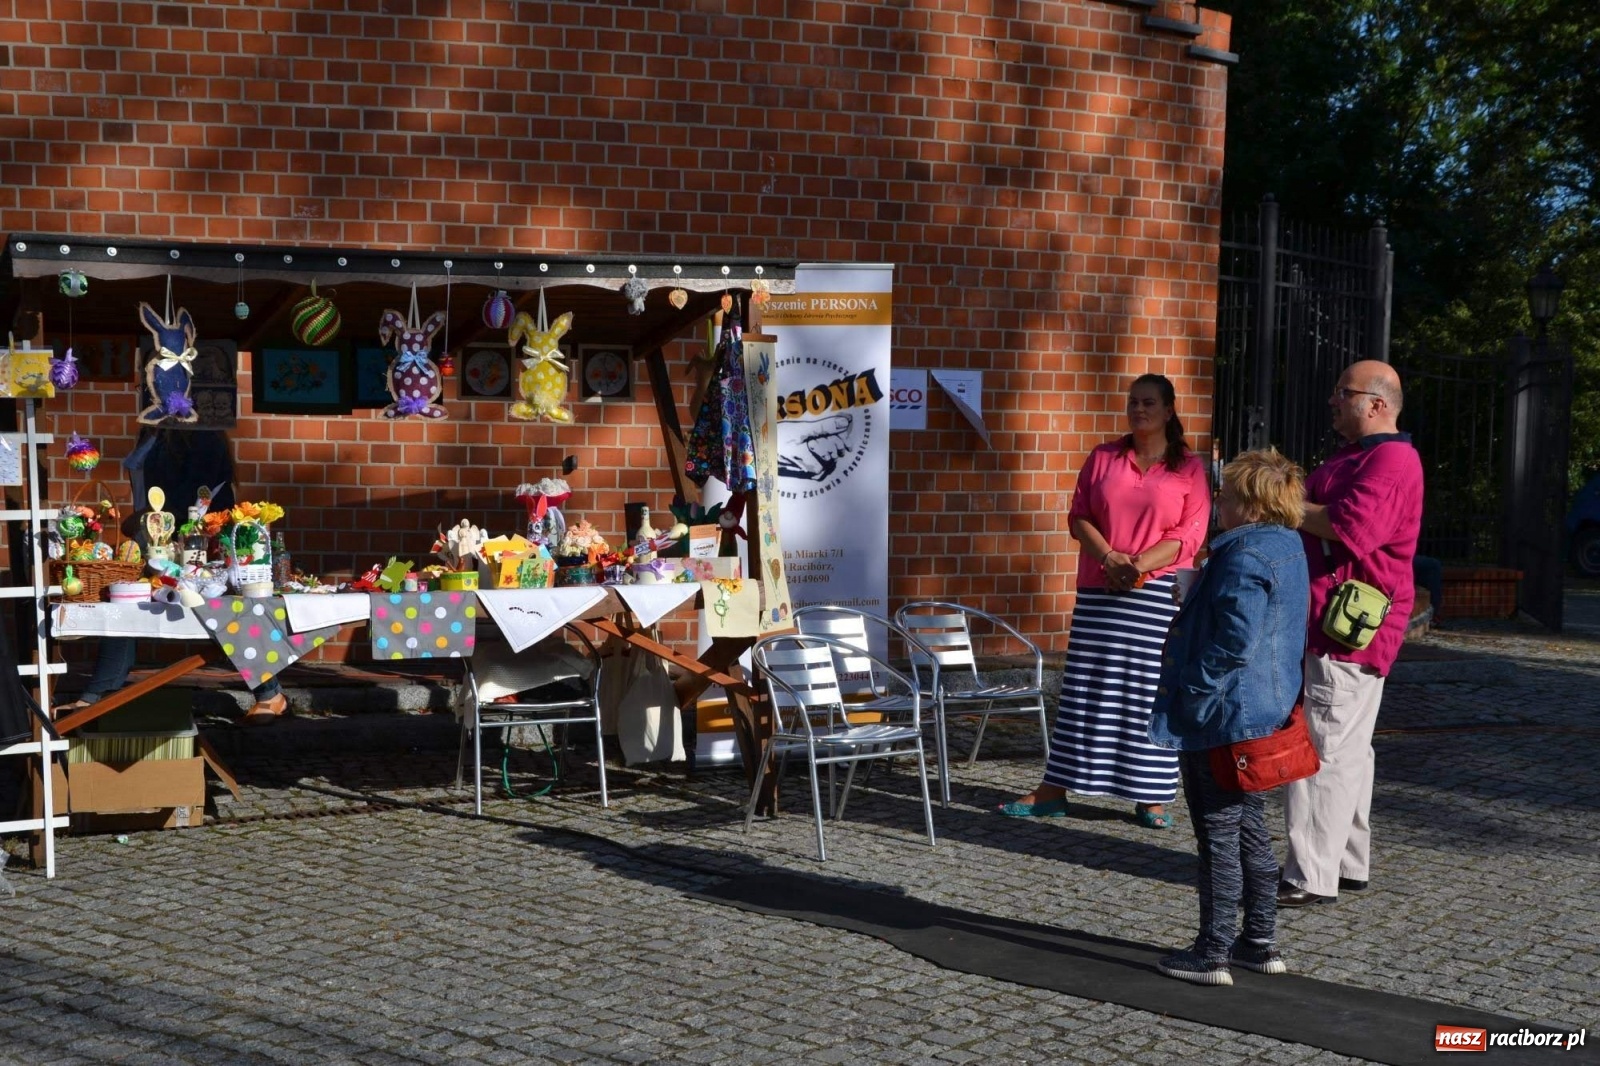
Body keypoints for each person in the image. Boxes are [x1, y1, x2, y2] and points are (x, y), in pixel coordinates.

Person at [1000, 374, 1211, 827]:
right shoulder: (1103, 457)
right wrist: (1112, 558)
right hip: (1100, 590)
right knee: (1084, 690)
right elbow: (1079, 517)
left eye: (1149, 402)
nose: (1139, 409)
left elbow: (1189, 534)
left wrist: (1137, 566)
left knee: (1147, 691)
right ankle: (1055, 789)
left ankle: (1152, 796)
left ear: (1169, 410)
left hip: (1154, 595)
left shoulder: (1189, 467)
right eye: (1133, 402)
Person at [1147, 449, 1310, 986]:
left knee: (1218, 834)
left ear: (1252, 503)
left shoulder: (1242, 556)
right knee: (1248, 829)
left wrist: (1192, 691)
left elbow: (1234, 641)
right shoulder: (1287, 546)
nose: (1218, 500)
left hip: (1223, 711)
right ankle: (1259, 941)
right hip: (1262, 710)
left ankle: (1212, 951)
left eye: (1227, 493)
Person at [1278, 360, 1423, 907]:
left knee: (1325, 746)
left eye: (1344, 393)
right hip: (1341, 621)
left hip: (1348, 626)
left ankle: (1309, 875)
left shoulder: (1391, 458)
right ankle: (1345, 862)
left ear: (1378, 404)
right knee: (1349, 748)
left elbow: (1349, 528)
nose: (1333, 401)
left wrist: (1282, 504)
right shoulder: (1358, 455)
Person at [52, 428, 288, 726]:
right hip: (156, 537)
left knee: (228, 610)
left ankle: (269, 692)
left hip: (195, 538)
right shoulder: (151, 433)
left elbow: (195, 493)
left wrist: (143, 518)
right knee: (124, 601)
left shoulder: (200, 435)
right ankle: (100, 692)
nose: (143, 388)